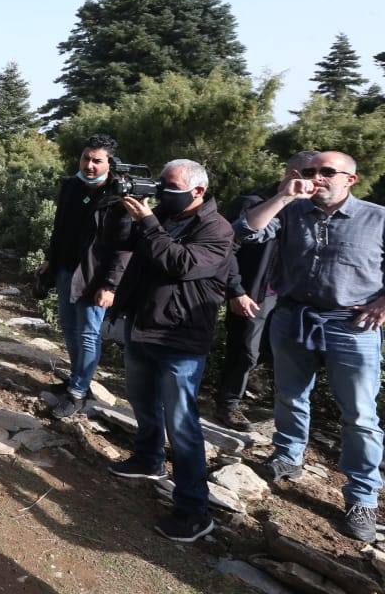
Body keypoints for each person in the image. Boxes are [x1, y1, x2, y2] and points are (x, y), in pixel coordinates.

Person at [235, 151, 385, 542]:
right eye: (311, 171)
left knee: (360, 416)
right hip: (292, 317)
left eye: (327, 172)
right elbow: (247, 232)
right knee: (289, 395)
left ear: (350, 179)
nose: (317, 178)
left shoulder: (377, 217)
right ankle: (288, 456)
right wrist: (284, 196)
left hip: (352, 327)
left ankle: (362, 496)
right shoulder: (291, 211)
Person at [107, 159, 234, 544]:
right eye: (160, 183)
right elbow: (122, 242)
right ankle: (148, 459)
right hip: (143, 323)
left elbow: (181, 264)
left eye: (170, 185)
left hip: (180, 336)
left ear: (198, 190)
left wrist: (149, 223)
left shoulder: (217, 229)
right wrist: (124, 209)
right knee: (143, 401)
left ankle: (194, 509)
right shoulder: (161, 212)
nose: (162, 191)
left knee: (182, 422)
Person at [213, 150, 319, 429]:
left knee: (277, 354)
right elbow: (227, 249)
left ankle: (267, 405)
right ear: (292, 174)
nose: (316, 181)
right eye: (310, 174)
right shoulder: (253, 203)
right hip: (254, 292)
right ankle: (227, 405)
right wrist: (235, 290)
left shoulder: (314, 211)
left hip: (292, 298)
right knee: (245, 350)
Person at [36, 134, 132, 418]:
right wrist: (50, 260)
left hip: (94, 276)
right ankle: (77, 380)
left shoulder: (119, 196)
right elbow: (59, 227)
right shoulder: (71, 186)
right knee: (69, 328)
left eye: (97, 161)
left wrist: (110, 284)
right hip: (66, 269)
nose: (89, 165)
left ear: (109, 163)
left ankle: (78, 392)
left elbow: (124, 248)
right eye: (86, 158)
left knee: (89, 334)